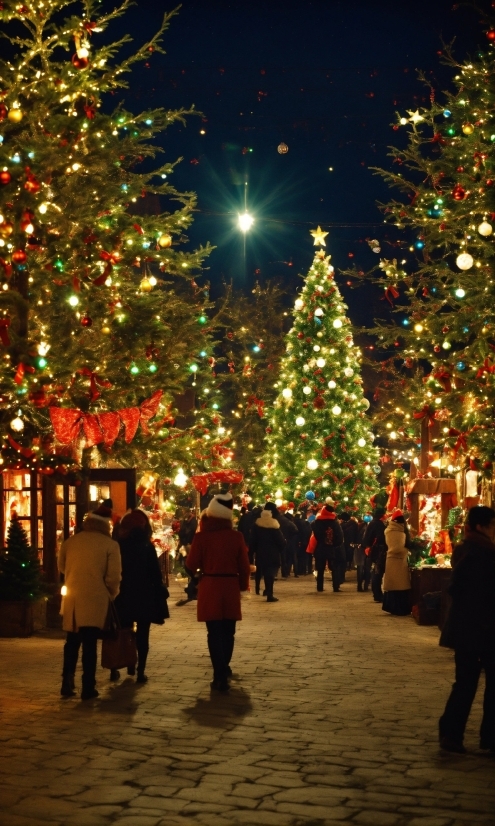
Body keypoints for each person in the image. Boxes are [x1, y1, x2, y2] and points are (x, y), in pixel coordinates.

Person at [438, 505, 495, 754]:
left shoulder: (467, 549)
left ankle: (451, 734)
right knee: (480, 683)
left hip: (466, 628)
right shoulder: (481, 553)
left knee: (465, 682)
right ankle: (488, 738)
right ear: (483, 526)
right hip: (483, 627)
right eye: (492, 525)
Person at [186, 493, 251, 691]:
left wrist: (198, 576)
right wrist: (241, 585)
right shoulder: (236, 537)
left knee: (213, 632)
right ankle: (225, 666)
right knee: (228, 631)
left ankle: (219, 672)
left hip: (210, 585)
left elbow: (190, 564)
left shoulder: (201, 537)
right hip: (230, 585)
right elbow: (245, 566)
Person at [59, 504, 121, 700]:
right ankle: (88, 685)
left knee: (71, 642)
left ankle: (67, 682)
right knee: (90, 643)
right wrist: (111, 593)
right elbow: (113, 577)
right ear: (106, 525)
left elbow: (62, 567)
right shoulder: (110, 545)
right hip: (96, 598)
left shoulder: (71, 542)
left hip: (72, 598)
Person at [111, 509, 168, 684]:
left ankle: (115, 667)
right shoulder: (146, 546)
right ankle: (140, 670)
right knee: (143, 634)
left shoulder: (118, 546)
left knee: (120, 631)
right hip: (144, 595)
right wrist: (160, 590)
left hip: (123, 594)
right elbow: (154, 574)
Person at [250, 502, 286, 602]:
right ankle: (269, 593)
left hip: (260, 553)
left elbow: (252, 541)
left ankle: (264, 590)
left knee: (265, 571)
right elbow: (281, 541)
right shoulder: (274, 526)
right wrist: (281, 549)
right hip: (273, 553)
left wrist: (252, 553)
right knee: (271, 572)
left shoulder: (256, 525)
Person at [307, 500, 345, 592]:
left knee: (320, 568)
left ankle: (319, 587)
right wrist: (335, 544)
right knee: (334, 567)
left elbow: (313, 532)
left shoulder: (316, 523)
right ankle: (335, 587)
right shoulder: (334, 523)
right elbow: (340, 537)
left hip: (319, 547)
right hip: (331, 548)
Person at [381, 510, 412, 616]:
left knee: (394, 585)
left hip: (391, 560)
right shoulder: (399, 532)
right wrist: (406, 551)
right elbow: (397, 548)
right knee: (400, 585)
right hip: (398, 560)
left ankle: (392, 606)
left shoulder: (389, 530)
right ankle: (400, 608)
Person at [362, 507, 387, 602]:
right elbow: (381, 538)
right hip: (378, 551)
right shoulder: (379, 525)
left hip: (373, 551)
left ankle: (376, 593)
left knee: (376, 571)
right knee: (378, 572)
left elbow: (366, 539)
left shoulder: (372, 523)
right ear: (382, 515)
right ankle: (377, 594)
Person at [178, 509, 198, 600]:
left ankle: (191, 589)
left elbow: (183, 532)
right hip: (188, 544)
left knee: (190, 566)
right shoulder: (192, 522)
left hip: (187, 543)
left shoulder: (188, 522)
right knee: (191, 566)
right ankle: (191, 589)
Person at [354, 518, 370, 592]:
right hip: (366, 549)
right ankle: (365, 585)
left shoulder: (357, 529)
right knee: (366, 568)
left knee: (360, 568)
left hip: (359, 549)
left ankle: (359, 585)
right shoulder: (366, 529)